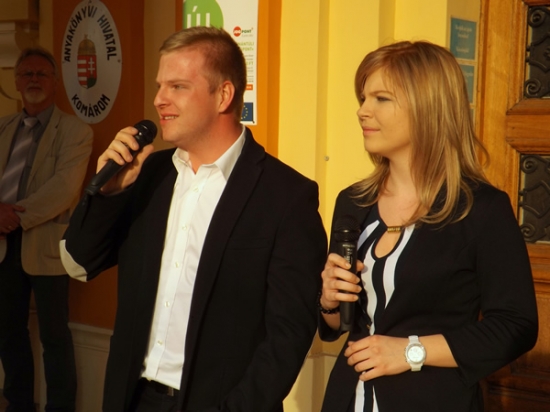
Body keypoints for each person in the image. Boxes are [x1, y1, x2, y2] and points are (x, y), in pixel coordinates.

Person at [60, 26, 327, 412]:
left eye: (178, 86)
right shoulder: (146, 175)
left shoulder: (286, 195)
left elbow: (289, 333)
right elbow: (77, 262)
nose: (159, 99)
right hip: (134, 400)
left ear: (224, 95)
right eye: (160, 86)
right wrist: (106, 193)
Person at [318, 40, 538, 411]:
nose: (362, 110)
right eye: (363, 97)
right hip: (348, 398)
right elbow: (338, 325)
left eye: (381, 99)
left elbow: (516, 325)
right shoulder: (353, 201)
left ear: (428, 108)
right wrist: (327, 301)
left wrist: (410, 351)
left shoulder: (481, 209)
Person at [0, 47, 93, 411]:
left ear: (55, 83)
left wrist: (14, 216)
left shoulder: (75, 131)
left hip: (47, 243)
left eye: (42, 74)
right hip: (3, 244)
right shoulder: (3, 127)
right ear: (16, 82)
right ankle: (19, 404)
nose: (34, 80)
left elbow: (65, 189)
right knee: (8, 332)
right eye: (27, 74)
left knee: (55, 337)